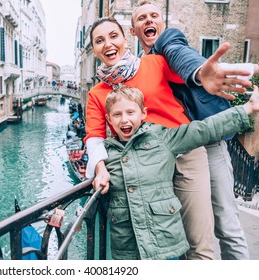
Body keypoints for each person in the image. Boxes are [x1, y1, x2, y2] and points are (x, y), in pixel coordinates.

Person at [84, 16, 256, 260]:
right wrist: (100, 168)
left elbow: (191, 74)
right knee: (164, 243)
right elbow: (94, 136)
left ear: (125, 38)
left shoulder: (153, 63)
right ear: (94, 49)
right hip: (144, 165)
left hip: (184, 152)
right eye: (99, 40)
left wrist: (203, 73)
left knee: (198, 242)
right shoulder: (96, 93)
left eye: (114, 36)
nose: (108, 44)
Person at [129, 1, 258, 260]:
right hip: (170, 152)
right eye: (142, 18)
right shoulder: (137, 66)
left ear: (162, 23)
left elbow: (182, 56)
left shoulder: (168, 41)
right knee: (187, 232)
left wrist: (200, 73)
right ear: (133, 30)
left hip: (207, 143)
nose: (149, 21)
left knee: (227, 226)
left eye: (154, 15)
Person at [104, 85, 258, 260]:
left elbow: (204, 129)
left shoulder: (162, 138)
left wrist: (247, 108)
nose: (124, 119)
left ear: (143, 114)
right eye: (117, 114)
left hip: (165, 244)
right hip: (127, 251)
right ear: (109, 118)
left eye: (130, 112)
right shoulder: (105, 154)